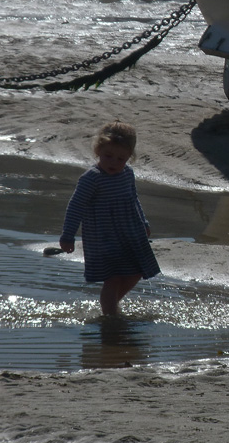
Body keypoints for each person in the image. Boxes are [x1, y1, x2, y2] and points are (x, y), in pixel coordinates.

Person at [59, 121, 160, 315]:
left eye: (121, 158)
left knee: (135, 271)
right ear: (98, 151)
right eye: (108, 156)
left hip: (129, 233)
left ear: (130, 157)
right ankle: (110, 315)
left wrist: (143, 222)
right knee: (112, 278)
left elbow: (133, 199)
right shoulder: (92, 178)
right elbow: (75, 206)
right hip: (103, 237)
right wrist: (67, 235)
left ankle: (109, 307)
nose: (114, 162)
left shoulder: (128, 174)